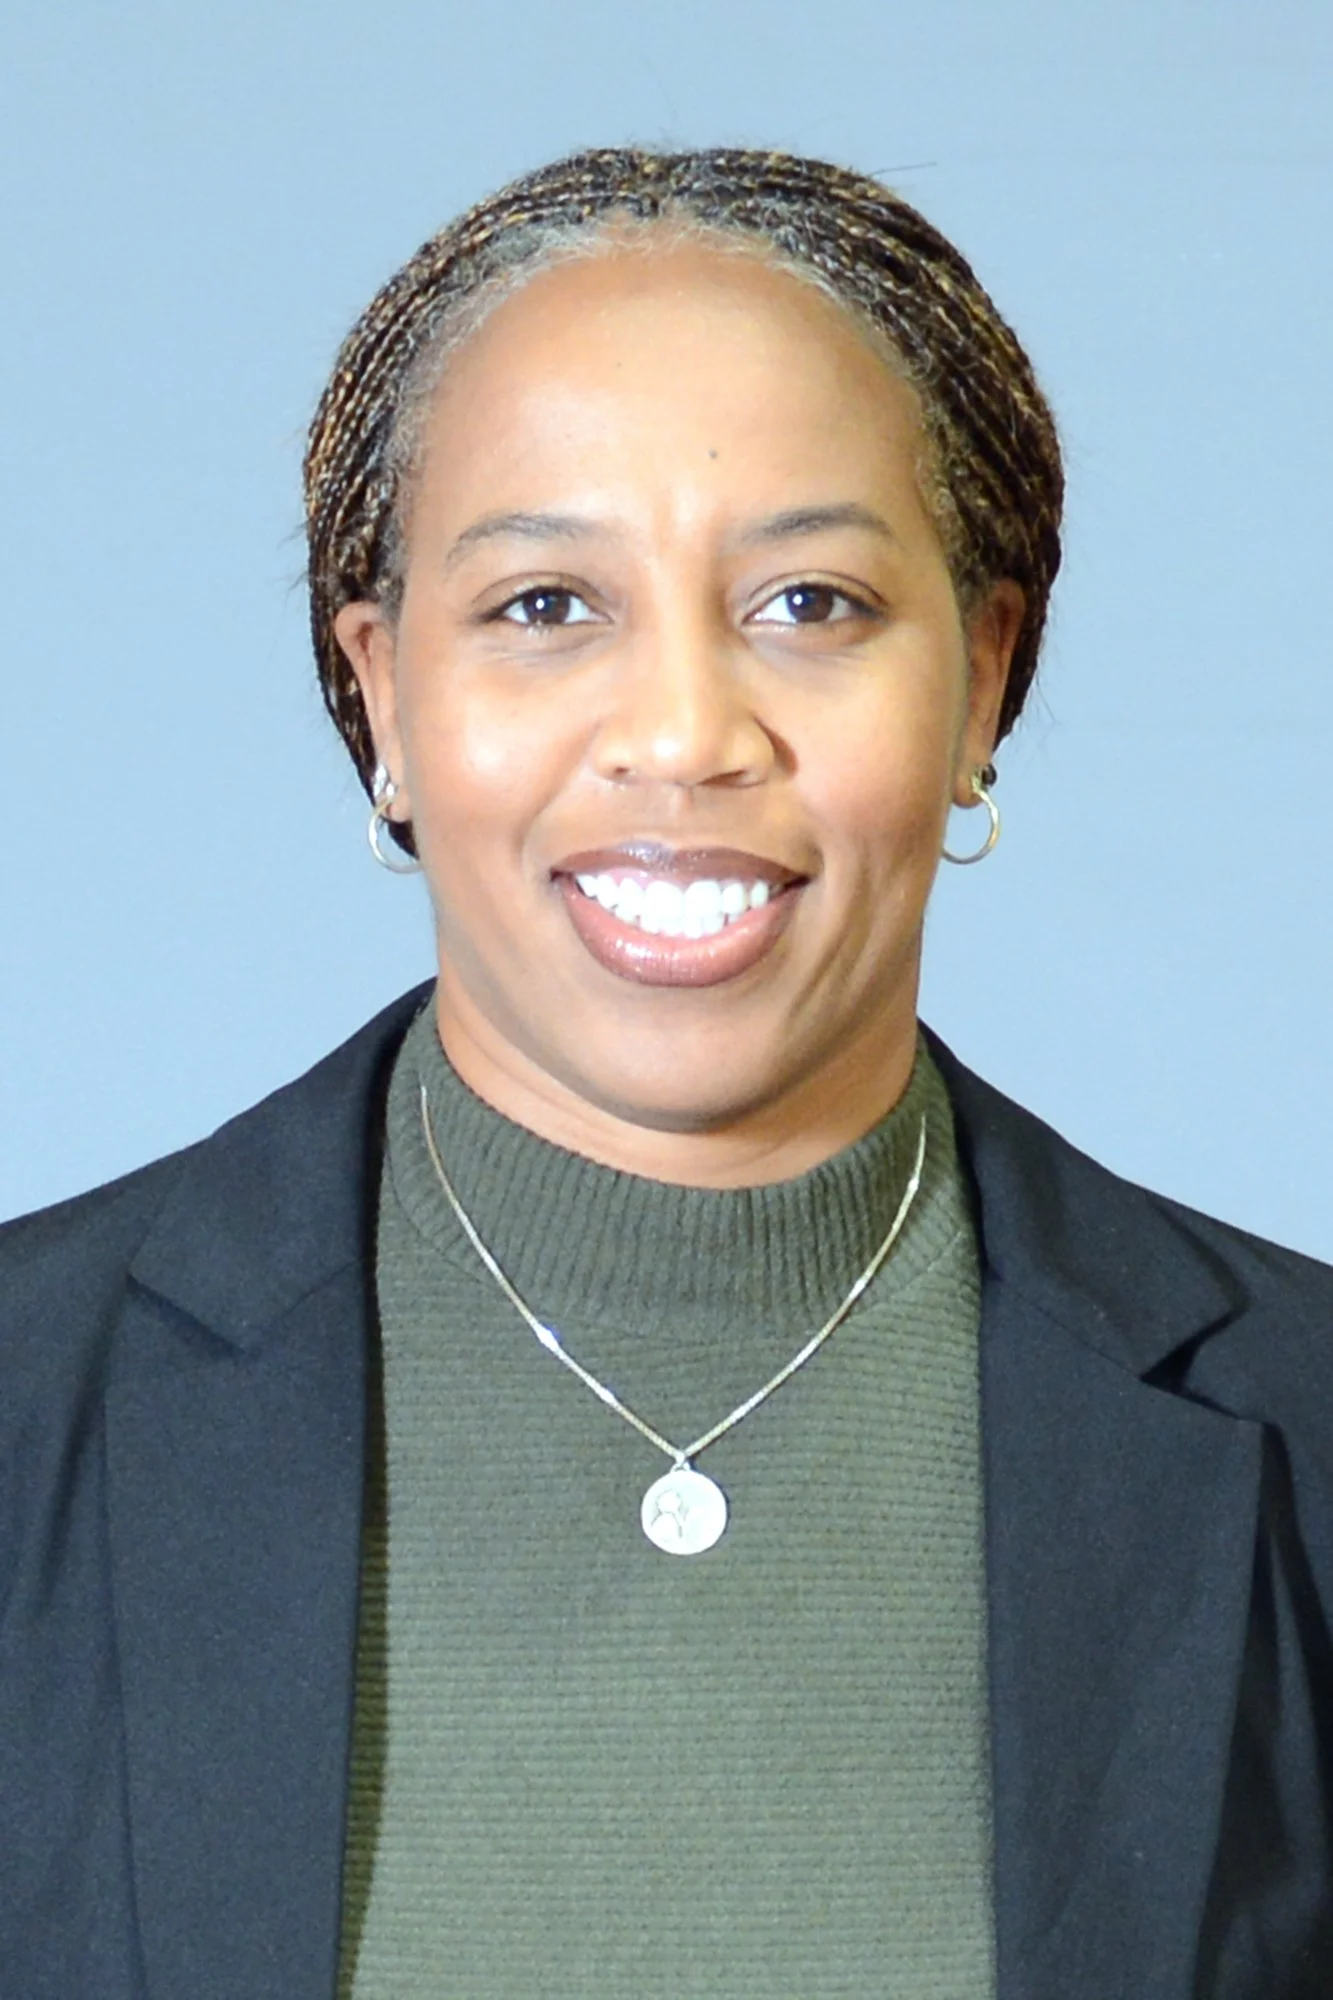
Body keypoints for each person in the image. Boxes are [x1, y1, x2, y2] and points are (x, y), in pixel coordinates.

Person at [3, 145, 1332, 2000]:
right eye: (548, 606)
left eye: (811, 604)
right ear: (384, 697)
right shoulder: (27, 1403)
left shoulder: (1302, 1431)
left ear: (981, 679)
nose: (686, 732)